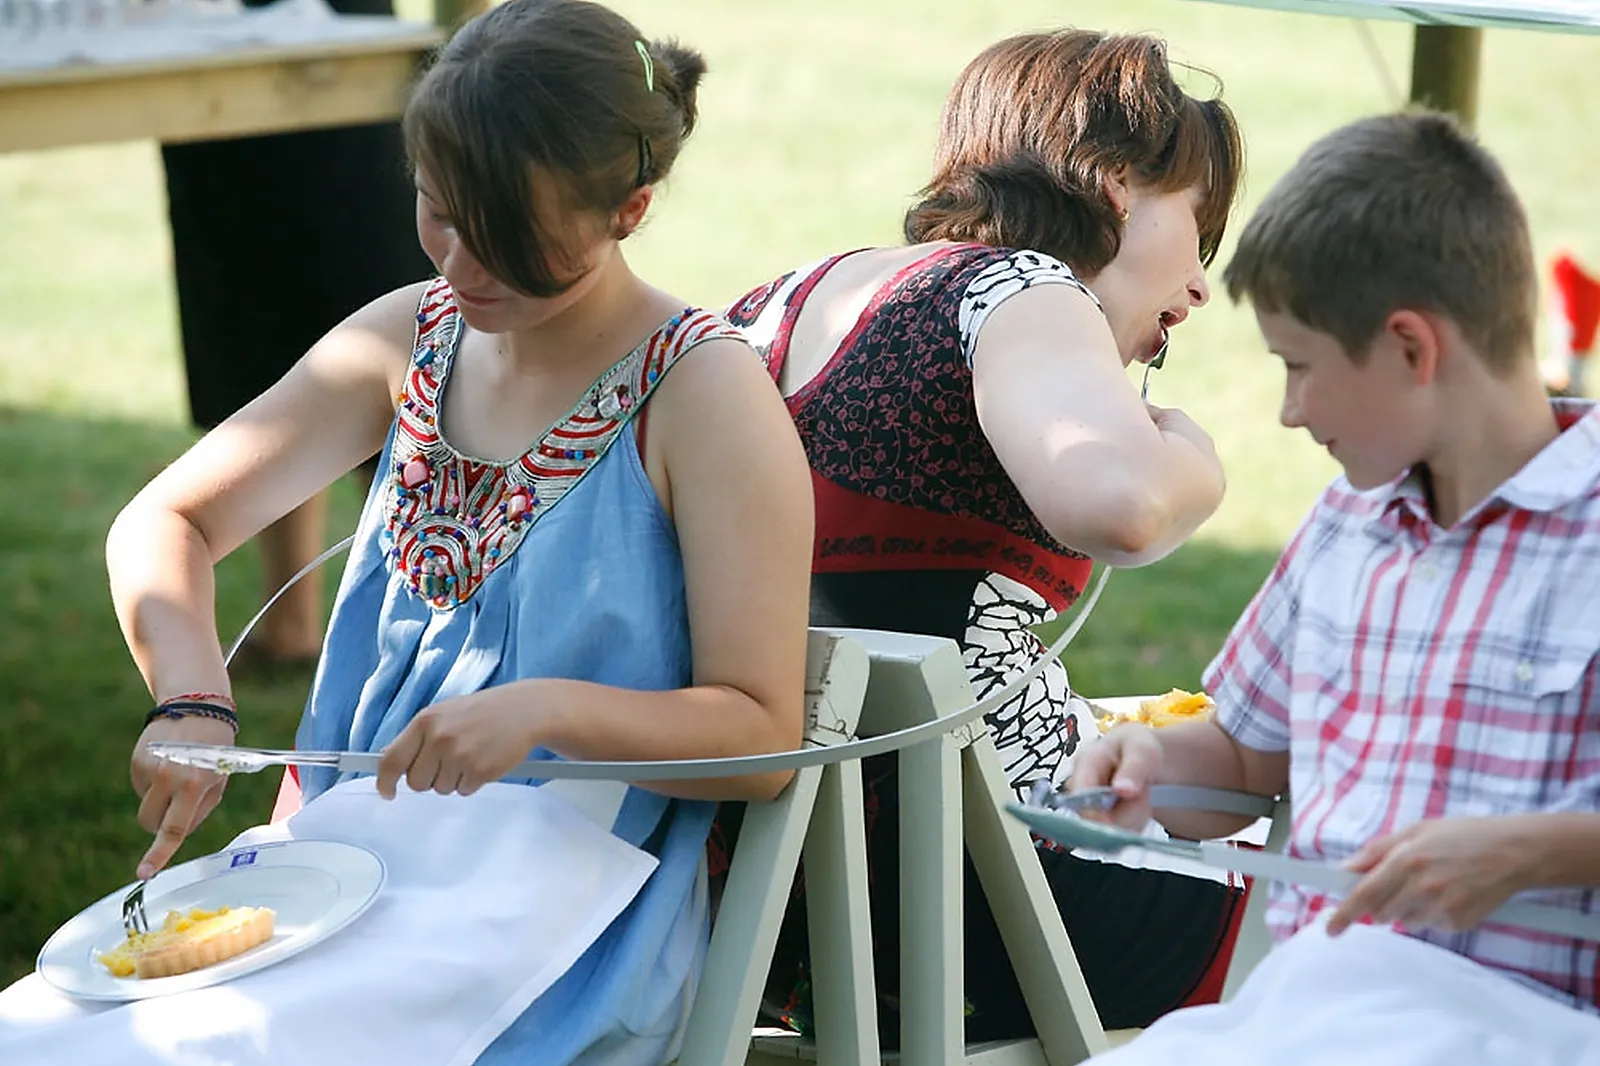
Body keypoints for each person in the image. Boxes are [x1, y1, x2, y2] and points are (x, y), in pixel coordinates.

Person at [106, 0, 813, 1061]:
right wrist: (194, 701)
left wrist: (541, 711)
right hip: (344, 877)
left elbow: (760, 739)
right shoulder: (413, 336)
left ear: (631, 206)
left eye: (511, 237)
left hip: (556, 929)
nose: (463, 265)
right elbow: (170, 517)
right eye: (439, 212)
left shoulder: (699, 393)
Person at [716, 28, 1246, 1040]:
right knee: (1359, 906)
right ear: (1116, 185)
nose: (1198, 286)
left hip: (769, 905)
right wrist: (1191, 452)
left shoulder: (776, 303)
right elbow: (1122, 503)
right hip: (984, 901)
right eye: (1199, 225)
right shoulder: (1021, 290)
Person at [1075, 110, 1600, 1063]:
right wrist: (1152, 770)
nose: (1288, 411)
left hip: (1534, 1026)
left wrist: (1545, 851)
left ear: (1412, 348)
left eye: (1301, 368)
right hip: (1319, 1005)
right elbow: (1242, 760)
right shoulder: (1347, 526)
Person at [160, 0, 438, 670]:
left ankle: (436, 607)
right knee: (251, 313)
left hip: (345, 54)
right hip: (203, 49)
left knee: (392, 317)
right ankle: (291, 622)